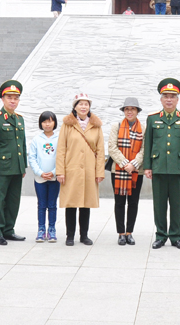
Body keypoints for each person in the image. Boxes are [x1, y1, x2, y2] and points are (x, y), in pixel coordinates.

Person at [144, 78, 180, 249]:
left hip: (178, 168)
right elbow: (148, 143)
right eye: (165, 96)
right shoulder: (152, 119)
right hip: (158, 167)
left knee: (176, 205)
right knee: (159, 205)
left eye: (172, 96)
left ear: (177, 99)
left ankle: (175, 236)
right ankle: (160, 235)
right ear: (161, 99)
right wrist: (147, 166)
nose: (169, 99)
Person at [56, 93, 105, 246]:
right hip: (72, 169)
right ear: (75, 106)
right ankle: (70, 236)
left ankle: (84, 235)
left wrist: (99, 172)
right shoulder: (67, 125)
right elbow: (61, 149)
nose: (83, 107)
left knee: (85, 203)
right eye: (80, 104)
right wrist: (60, 171)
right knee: (71, 203)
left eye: (86, 104)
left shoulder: (96, 126)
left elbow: (100, 150)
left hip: (89, 170)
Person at [0, 80, 28, 245]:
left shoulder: (19, 119)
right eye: (9, 97)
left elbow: (22, 144)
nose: (13, 101)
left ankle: (8, 230)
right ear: (3, 99)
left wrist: (23, 165)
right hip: (2, 168)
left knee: (13, 200)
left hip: (16, 167)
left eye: (16, 98)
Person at [107, 98, 144, 246]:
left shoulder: (144, 128)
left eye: (133, 109)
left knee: (133, 202)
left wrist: (134, 164)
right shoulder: (116, 126)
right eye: (127, 109)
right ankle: (121, 233)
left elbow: (144, 149)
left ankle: (130, 232)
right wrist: (125, 164)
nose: (129, 111)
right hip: (118, 170)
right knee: (120, 202)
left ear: (137, 111)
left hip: (137, 171)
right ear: (123, 111)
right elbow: (112, 147)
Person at [27, 111, 60, 243]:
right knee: (41, 205)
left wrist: (54, 171)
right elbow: (32, 157)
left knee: (52, 205)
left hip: (54, 178)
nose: (47, 124)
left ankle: (51, 229)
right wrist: (40, 172)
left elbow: (62, 157)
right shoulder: (36, 139)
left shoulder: (59, 139)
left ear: (55, 123)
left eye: (50, 121)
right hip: (39, 178)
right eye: (45, 121)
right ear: (41, 123)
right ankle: (41, 229)